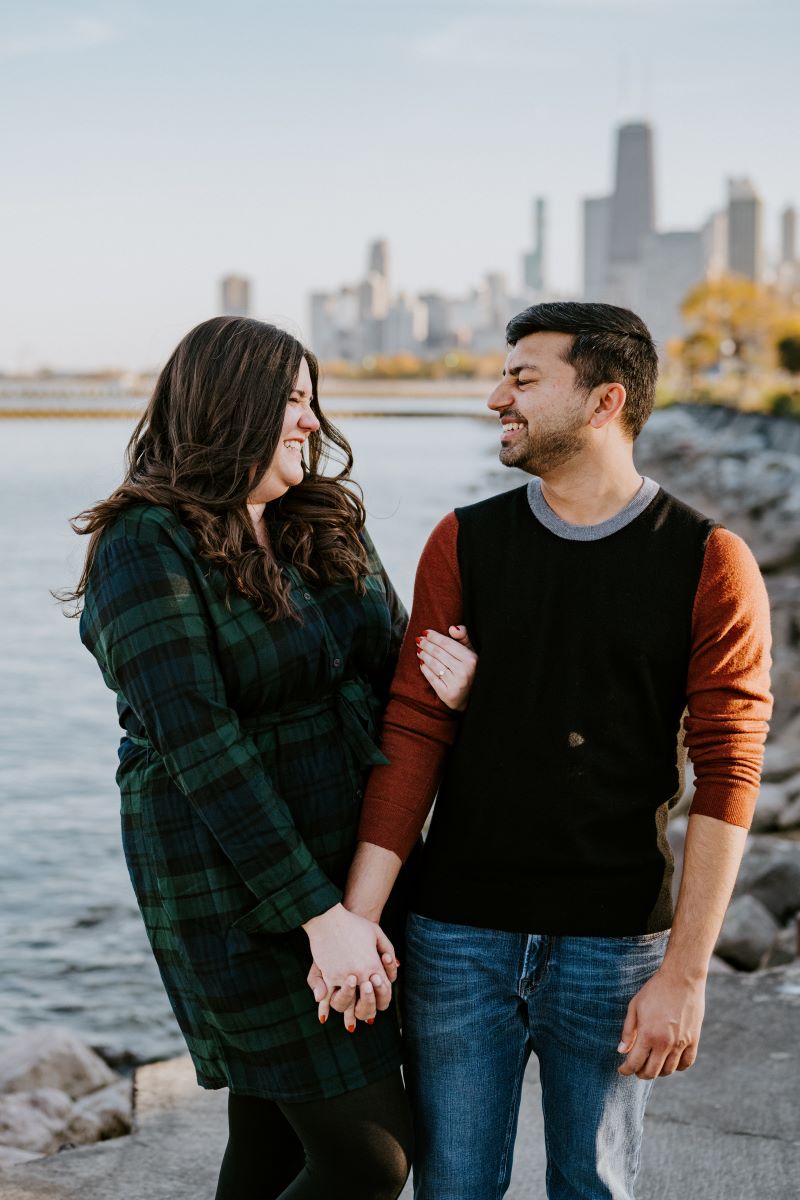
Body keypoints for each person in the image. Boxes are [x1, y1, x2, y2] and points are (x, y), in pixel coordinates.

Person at [336, 302, 773, 1199]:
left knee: (594, 1186)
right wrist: (360, 917)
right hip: (457, 934)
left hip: (613, 943)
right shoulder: (464, 542)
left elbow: (730, 771)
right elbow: (413, 732)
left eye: (523, 379)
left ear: (604, 400)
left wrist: (685, 976)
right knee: (455, 1188)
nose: (497, 396)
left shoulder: (709, 561)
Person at [67, 316, 477, 1200]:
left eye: (312, 399)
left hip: (354, 864)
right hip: (231, 885)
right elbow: (199, 745)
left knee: (270, 1133)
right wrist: (319, 917)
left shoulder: (321, 522)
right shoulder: (145, 544)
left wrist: (458, 682)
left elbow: (391, 673)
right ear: (230, 406)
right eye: (292, 400)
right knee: (369, 1157)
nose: (312, 421)